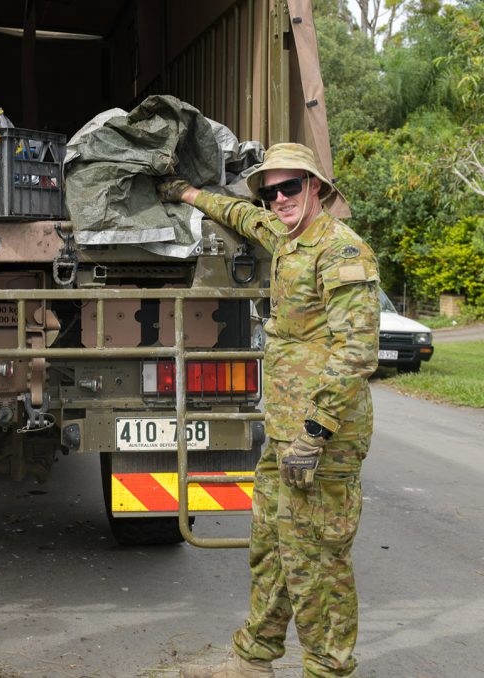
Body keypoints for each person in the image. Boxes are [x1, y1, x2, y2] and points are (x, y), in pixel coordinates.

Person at [157, 143, 379, 678]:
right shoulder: (285, 235)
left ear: (317, 188)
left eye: (290, 187)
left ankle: (329, 668)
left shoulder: (342, 253)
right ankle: (255, 658)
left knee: (316, 563)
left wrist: (315, 432)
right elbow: (240, 214)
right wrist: (187, 193)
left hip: (321, 438)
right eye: (270, 189)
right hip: (285, 431)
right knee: (271, 548)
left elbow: (357, 351)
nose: (278, 198)